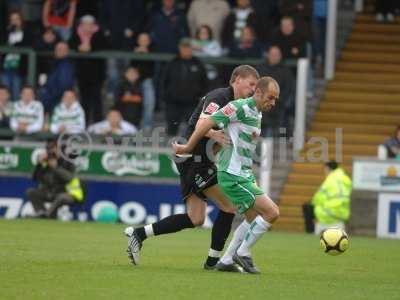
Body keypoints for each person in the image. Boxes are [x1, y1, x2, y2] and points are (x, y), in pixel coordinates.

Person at [124, 65, 260, 270]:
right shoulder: (220, 97)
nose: (252, 90)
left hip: (196, 160)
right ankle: (215, 263)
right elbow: (203, 122)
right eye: (251, 84)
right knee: (230, 206)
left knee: (195, 218)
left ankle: (139, 234)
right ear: (237, 79)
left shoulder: (237, 104)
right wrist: (213, 134)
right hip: (194, 160)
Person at [173, 76, 280, 274]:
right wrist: (188, 146)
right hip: (232, 175)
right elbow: (205, 123)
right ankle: (243, 252)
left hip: (243, 173)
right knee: (272, 212)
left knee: (251, 218)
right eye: (270, 97)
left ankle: (227, 260)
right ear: (258, 92)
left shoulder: (257, 112)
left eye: (275, 99)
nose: (272, 103)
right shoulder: (238, 107)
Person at [26, 139, 83, 218]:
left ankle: (47, 215)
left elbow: (69, 178)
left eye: (53, 149)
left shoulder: (67, 162)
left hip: (67, 193)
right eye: (48, 149)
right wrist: (39, 164)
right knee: (31, 192)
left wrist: (56, 168)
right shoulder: (45, 162)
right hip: (50, 192)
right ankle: (41, 212)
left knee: (61, 197)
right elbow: (34, 178)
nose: (51, 152)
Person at [162, 38, 208, 136]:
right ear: (179, 48)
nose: (186, 50)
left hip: (192, 102)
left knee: (192, 128)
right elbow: (164, 81)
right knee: (172, 128)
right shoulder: (172, 63)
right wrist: (167, 96)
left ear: (192, 49)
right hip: (173, 102)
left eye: (188, 47)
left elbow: (205, 82)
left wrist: (201, 98)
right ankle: (170, 149)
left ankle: (190, 148)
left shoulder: (198, 64)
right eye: (183, 47)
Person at [69, 15, 108, 123]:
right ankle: (84, 123)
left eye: (90, 24)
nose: (87, 26)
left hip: (97, 73)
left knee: (97, 99)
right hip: (82, 73)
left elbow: (104, 45)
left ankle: (97, 124)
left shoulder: (99, 33)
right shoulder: (76, 33)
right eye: (85, 24)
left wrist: (91, 48)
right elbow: (71, 44)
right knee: (84, 99)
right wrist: (79, 47)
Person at [303, 161, 352, 235]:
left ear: (328, 168)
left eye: (325, 170)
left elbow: (319, 197)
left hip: (329, 213)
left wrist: (313, 203)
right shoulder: (345, 178)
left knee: (307, 207)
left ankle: (310, 233)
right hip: (342, 213)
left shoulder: (330, 179)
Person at [257, 45, 295, 136]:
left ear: (280, 56)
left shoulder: (286, 72)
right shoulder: (260, 68)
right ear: (268, 55)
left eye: (276, 54)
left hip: (278, 104)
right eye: (272, 54)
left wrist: (275, 99)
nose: (274, 56)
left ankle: (270, 140)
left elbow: (288, 90)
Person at [1, 10, 32, 101]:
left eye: (17, 19)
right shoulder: (5, 33)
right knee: (4, 92)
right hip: (5, 67)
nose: (14, 21)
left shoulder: (27, 32)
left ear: (21, 20)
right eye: (12, 19)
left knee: (16, 92)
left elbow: (27, 44)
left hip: (19, 68)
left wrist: (14, 45)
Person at [38, 41, 75, 114]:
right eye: (57, 49)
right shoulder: (55, 63)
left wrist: (46, 95)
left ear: (67, 51)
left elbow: (64, 86)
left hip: (57, 101)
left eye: (62, 49)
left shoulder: (66, 66)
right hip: (51, 99)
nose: (59, 51)